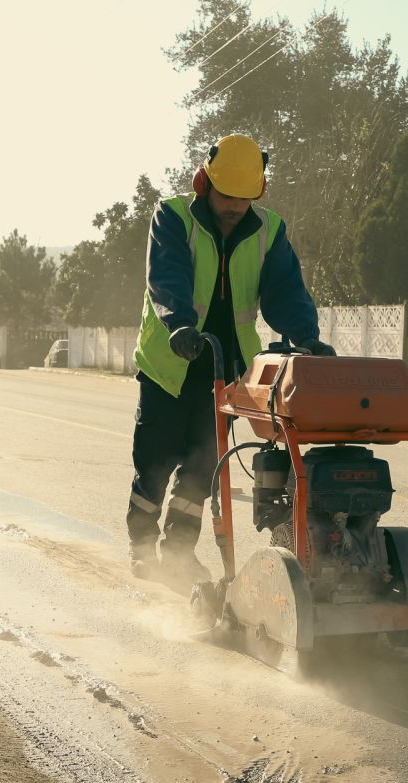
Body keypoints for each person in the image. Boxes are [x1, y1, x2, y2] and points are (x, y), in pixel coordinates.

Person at [127, 133, 334, 579]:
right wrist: (179, 322)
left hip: (224, 369)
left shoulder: (268, 231)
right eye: (226, 196)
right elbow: (167, 275)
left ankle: (179, 551)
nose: (234, 206)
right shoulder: (173, 216)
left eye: (244, 198)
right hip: (170, 361)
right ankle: (142, 547)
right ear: (205, 182)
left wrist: (306, 338)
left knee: (204, 467)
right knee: (155, 464)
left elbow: (286, 292)